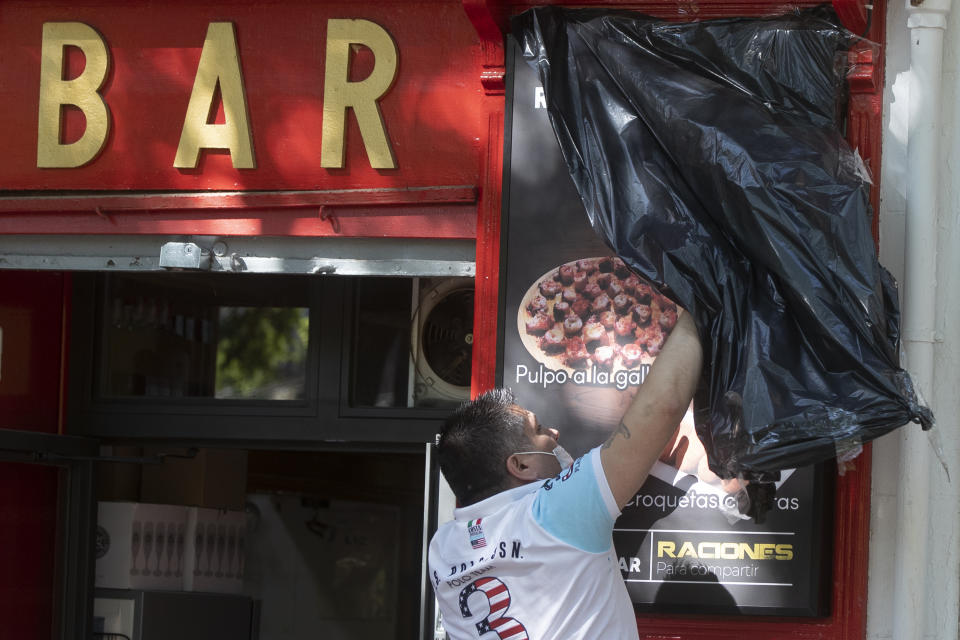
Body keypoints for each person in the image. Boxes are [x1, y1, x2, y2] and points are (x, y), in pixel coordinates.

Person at [428, 311, 702, 640]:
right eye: (538, 430)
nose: (554, 432)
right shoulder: (553, 512)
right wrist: (701, 299)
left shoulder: (443, 550)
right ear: (521, 465)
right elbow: (665, 404)